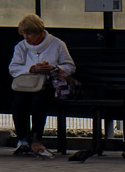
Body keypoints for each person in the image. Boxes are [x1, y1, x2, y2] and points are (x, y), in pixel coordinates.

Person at [8, 14, 75, 159]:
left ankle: (36, 138)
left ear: (39, 31)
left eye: (29, 33)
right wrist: (31, 68)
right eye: (24, 33)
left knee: (39, 101)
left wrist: (54, 68)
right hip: (25, 86)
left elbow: (70, 66)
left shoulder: (57, 44)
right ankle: (22, 140)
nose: (26, 37)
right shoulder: (20, 47)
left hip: (47, 85)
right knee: (18, 102)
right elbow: (13, 68)